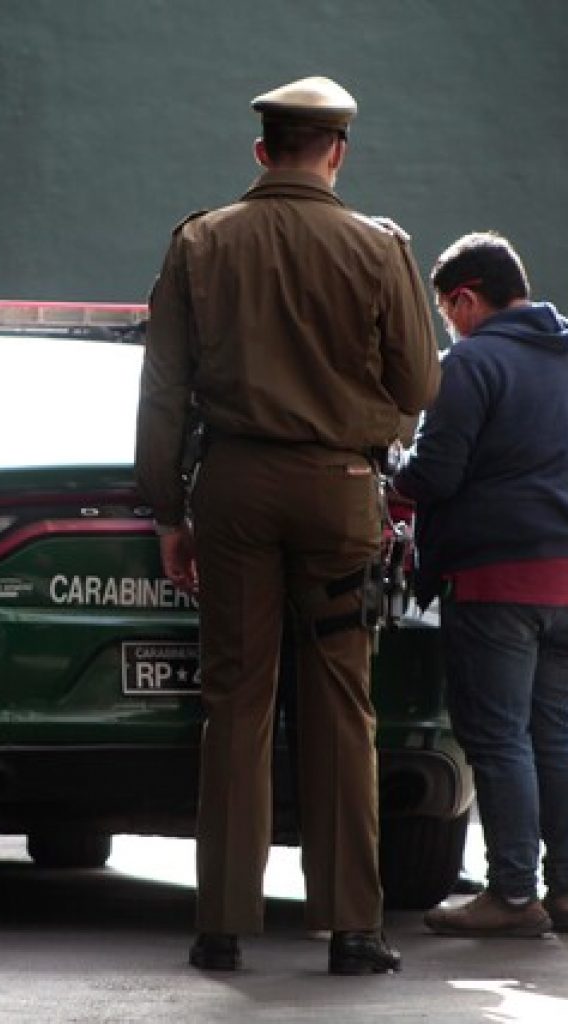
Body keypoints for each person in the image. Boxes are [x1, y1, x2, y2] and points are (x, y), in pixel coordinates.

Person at [135, 75, 439, 975]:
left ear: (261, 152)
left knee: (236, 699)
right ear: (337, 152)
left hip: (230, 488)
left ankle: (221, 926)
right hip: (340, 488)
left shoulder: (201, 242)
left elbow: (164, 389)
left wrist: (164, 509)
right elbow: (420, 387)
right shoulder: (380, 249)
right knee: (343, 702)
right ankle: (351, 927)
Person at [393, 232, 568, 938]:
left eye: (445, 310)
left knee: (498, 739)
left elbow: (436, 475)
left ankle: (512, 894)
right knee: (556, 738)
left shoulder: (473, 362)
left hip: (498, 577)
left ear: (465, 298)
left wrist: (389, 483)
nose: (447, 324)